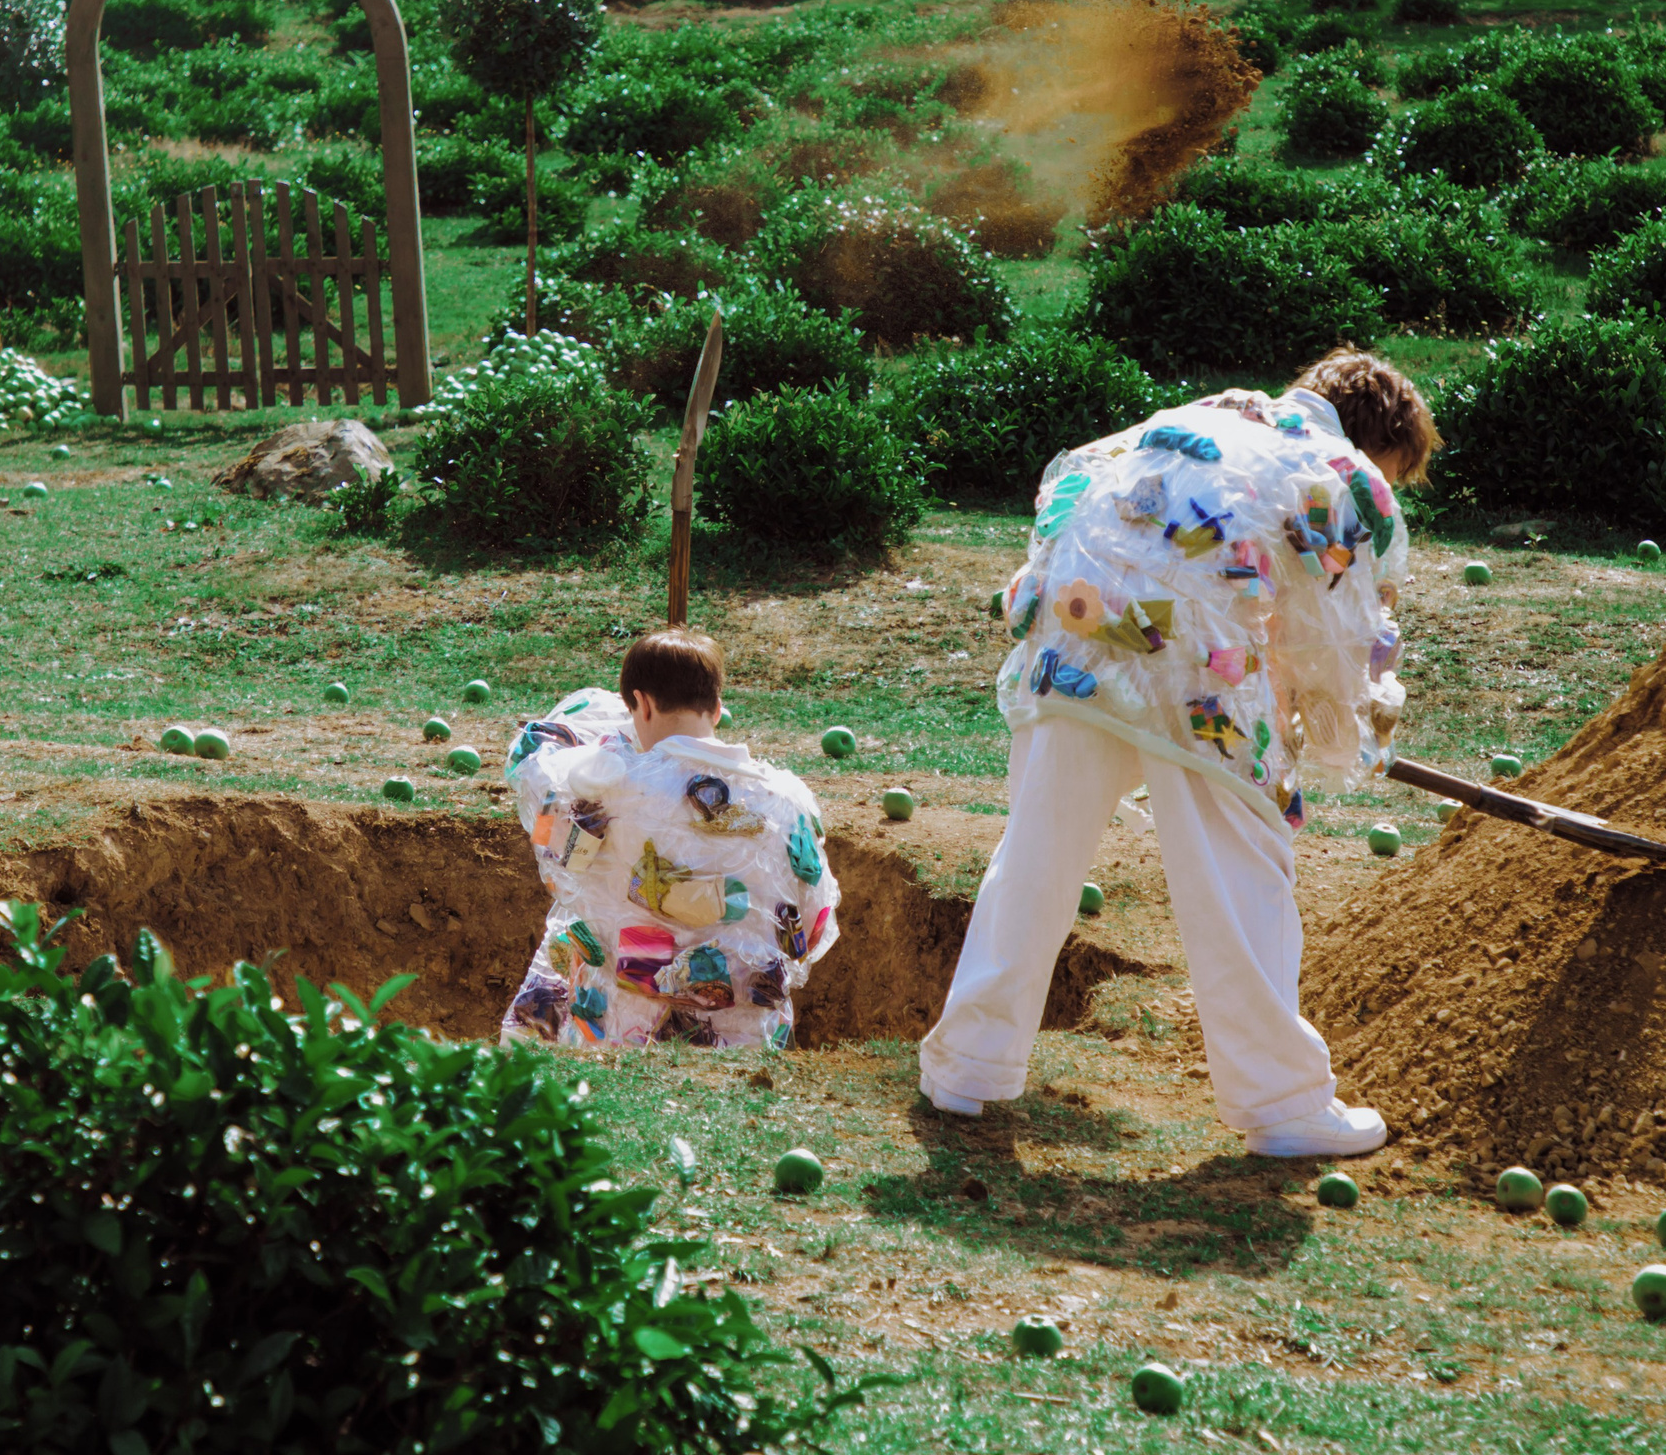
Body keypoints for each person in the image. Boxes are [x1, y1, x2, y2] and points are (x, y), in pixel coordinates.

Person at [918, 348, 1438, 1157]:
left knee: (1036, 859)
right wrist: (1340, 728)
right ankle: (1282, 1102)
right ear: (1383, 446)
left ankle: (966, 1068)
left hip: (1075, 639)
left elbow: (1078, 507)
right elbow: (1335, 634)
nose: (1390, 489)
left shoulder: (1199, 418)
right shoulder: (1335, 467)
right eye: (1397, 475)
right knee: (1241, 869)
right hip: (1197, 667)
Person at [499, 628, 839, 1051]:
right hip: (748, 1042)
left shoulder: (610, 789)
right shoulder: (789, 799)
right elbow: (811, 925)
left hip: (624, 1039)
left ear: (641, 704)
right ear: (717, 709)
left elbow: (534, 778)